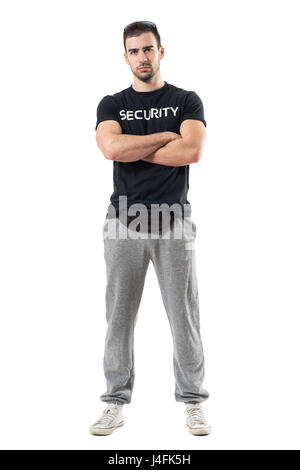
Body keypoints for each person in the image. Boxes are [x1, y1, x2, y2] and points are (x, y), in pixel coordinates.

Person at [90, 21, 211, 436]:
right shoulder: (112, 104)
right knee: (118, 316)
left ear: (162, 51)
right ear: (126, 57)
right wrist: (164, 138)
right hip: (123, 221)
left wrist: (134, 147)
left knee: (184, 315)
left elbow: (192, 149)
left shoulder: (186, 100)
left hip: (174, 222)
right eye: (134, 51)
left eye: (149, 49)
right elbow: (110, 148)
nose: (143, 57)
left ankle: (193, 401)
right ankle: (114, 401)